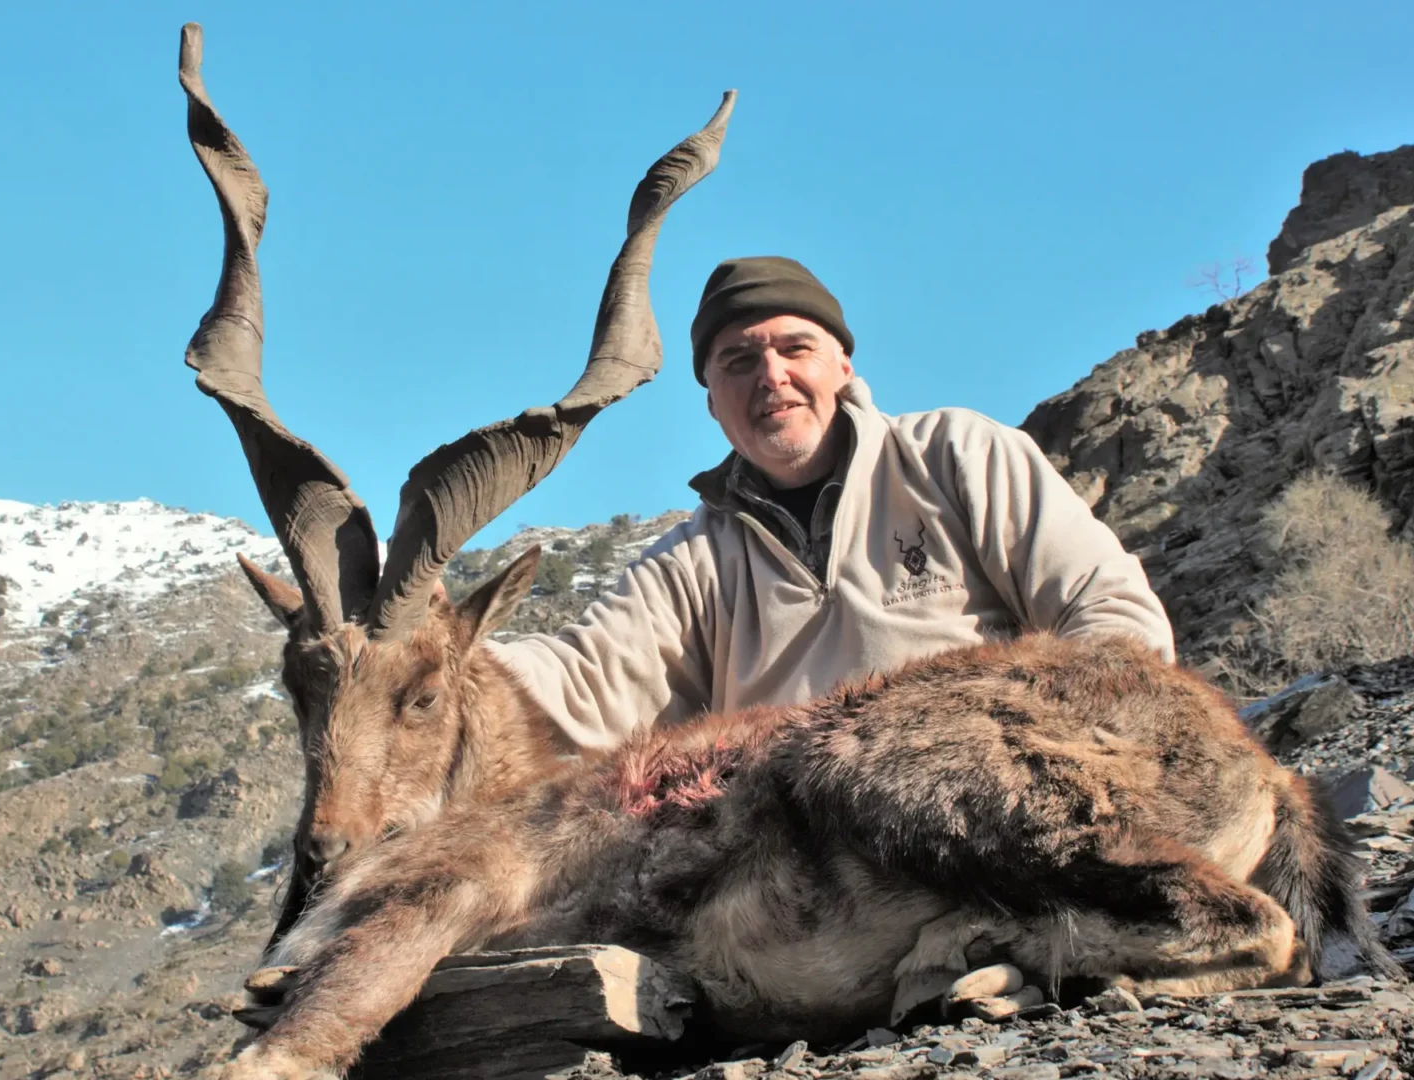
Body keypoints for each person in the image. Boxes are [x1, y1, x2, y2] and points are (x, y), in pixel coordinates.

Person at [490, 256, 1174, 753]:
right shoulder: (691, 564)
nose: (771, 376)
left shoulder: (956, 456)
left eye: (796, 348)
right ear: (711, 403)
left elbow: (1113, 615)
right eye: (738, 361)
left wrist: (1051, 751)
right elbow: (583, 683)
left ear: (843, 366)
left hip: (994, 787)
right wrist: (433, 648)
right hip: (805, 856)